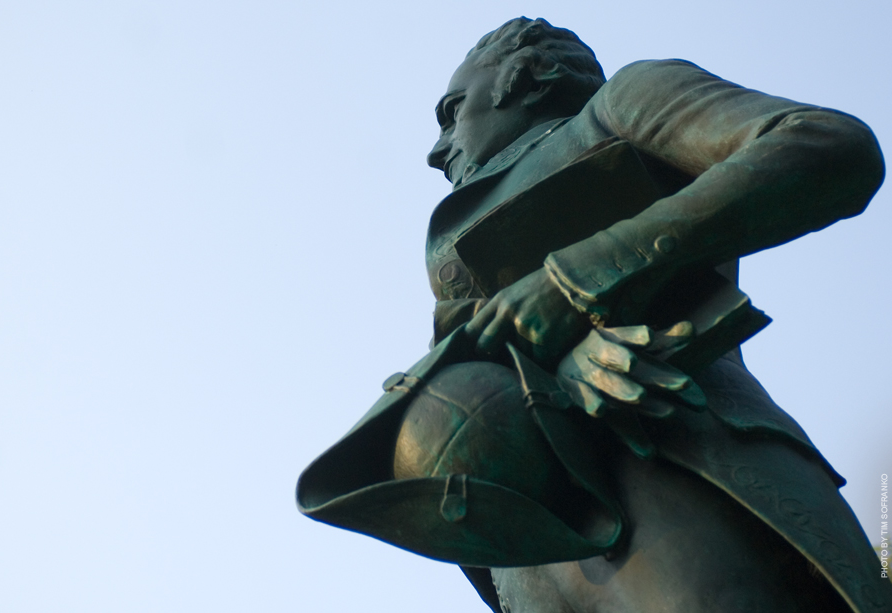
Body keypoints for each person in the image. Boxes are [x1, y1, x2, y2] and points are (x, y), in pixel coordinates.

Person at [298, 17, 887, 613]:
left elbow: (827, 144)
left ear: (529, 76)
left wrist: (577, 281)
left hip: (678, 460)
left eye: (453, 110)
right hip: (539, 547)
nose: (437, 149)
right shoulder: (454, 260)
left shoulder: (617, 107)